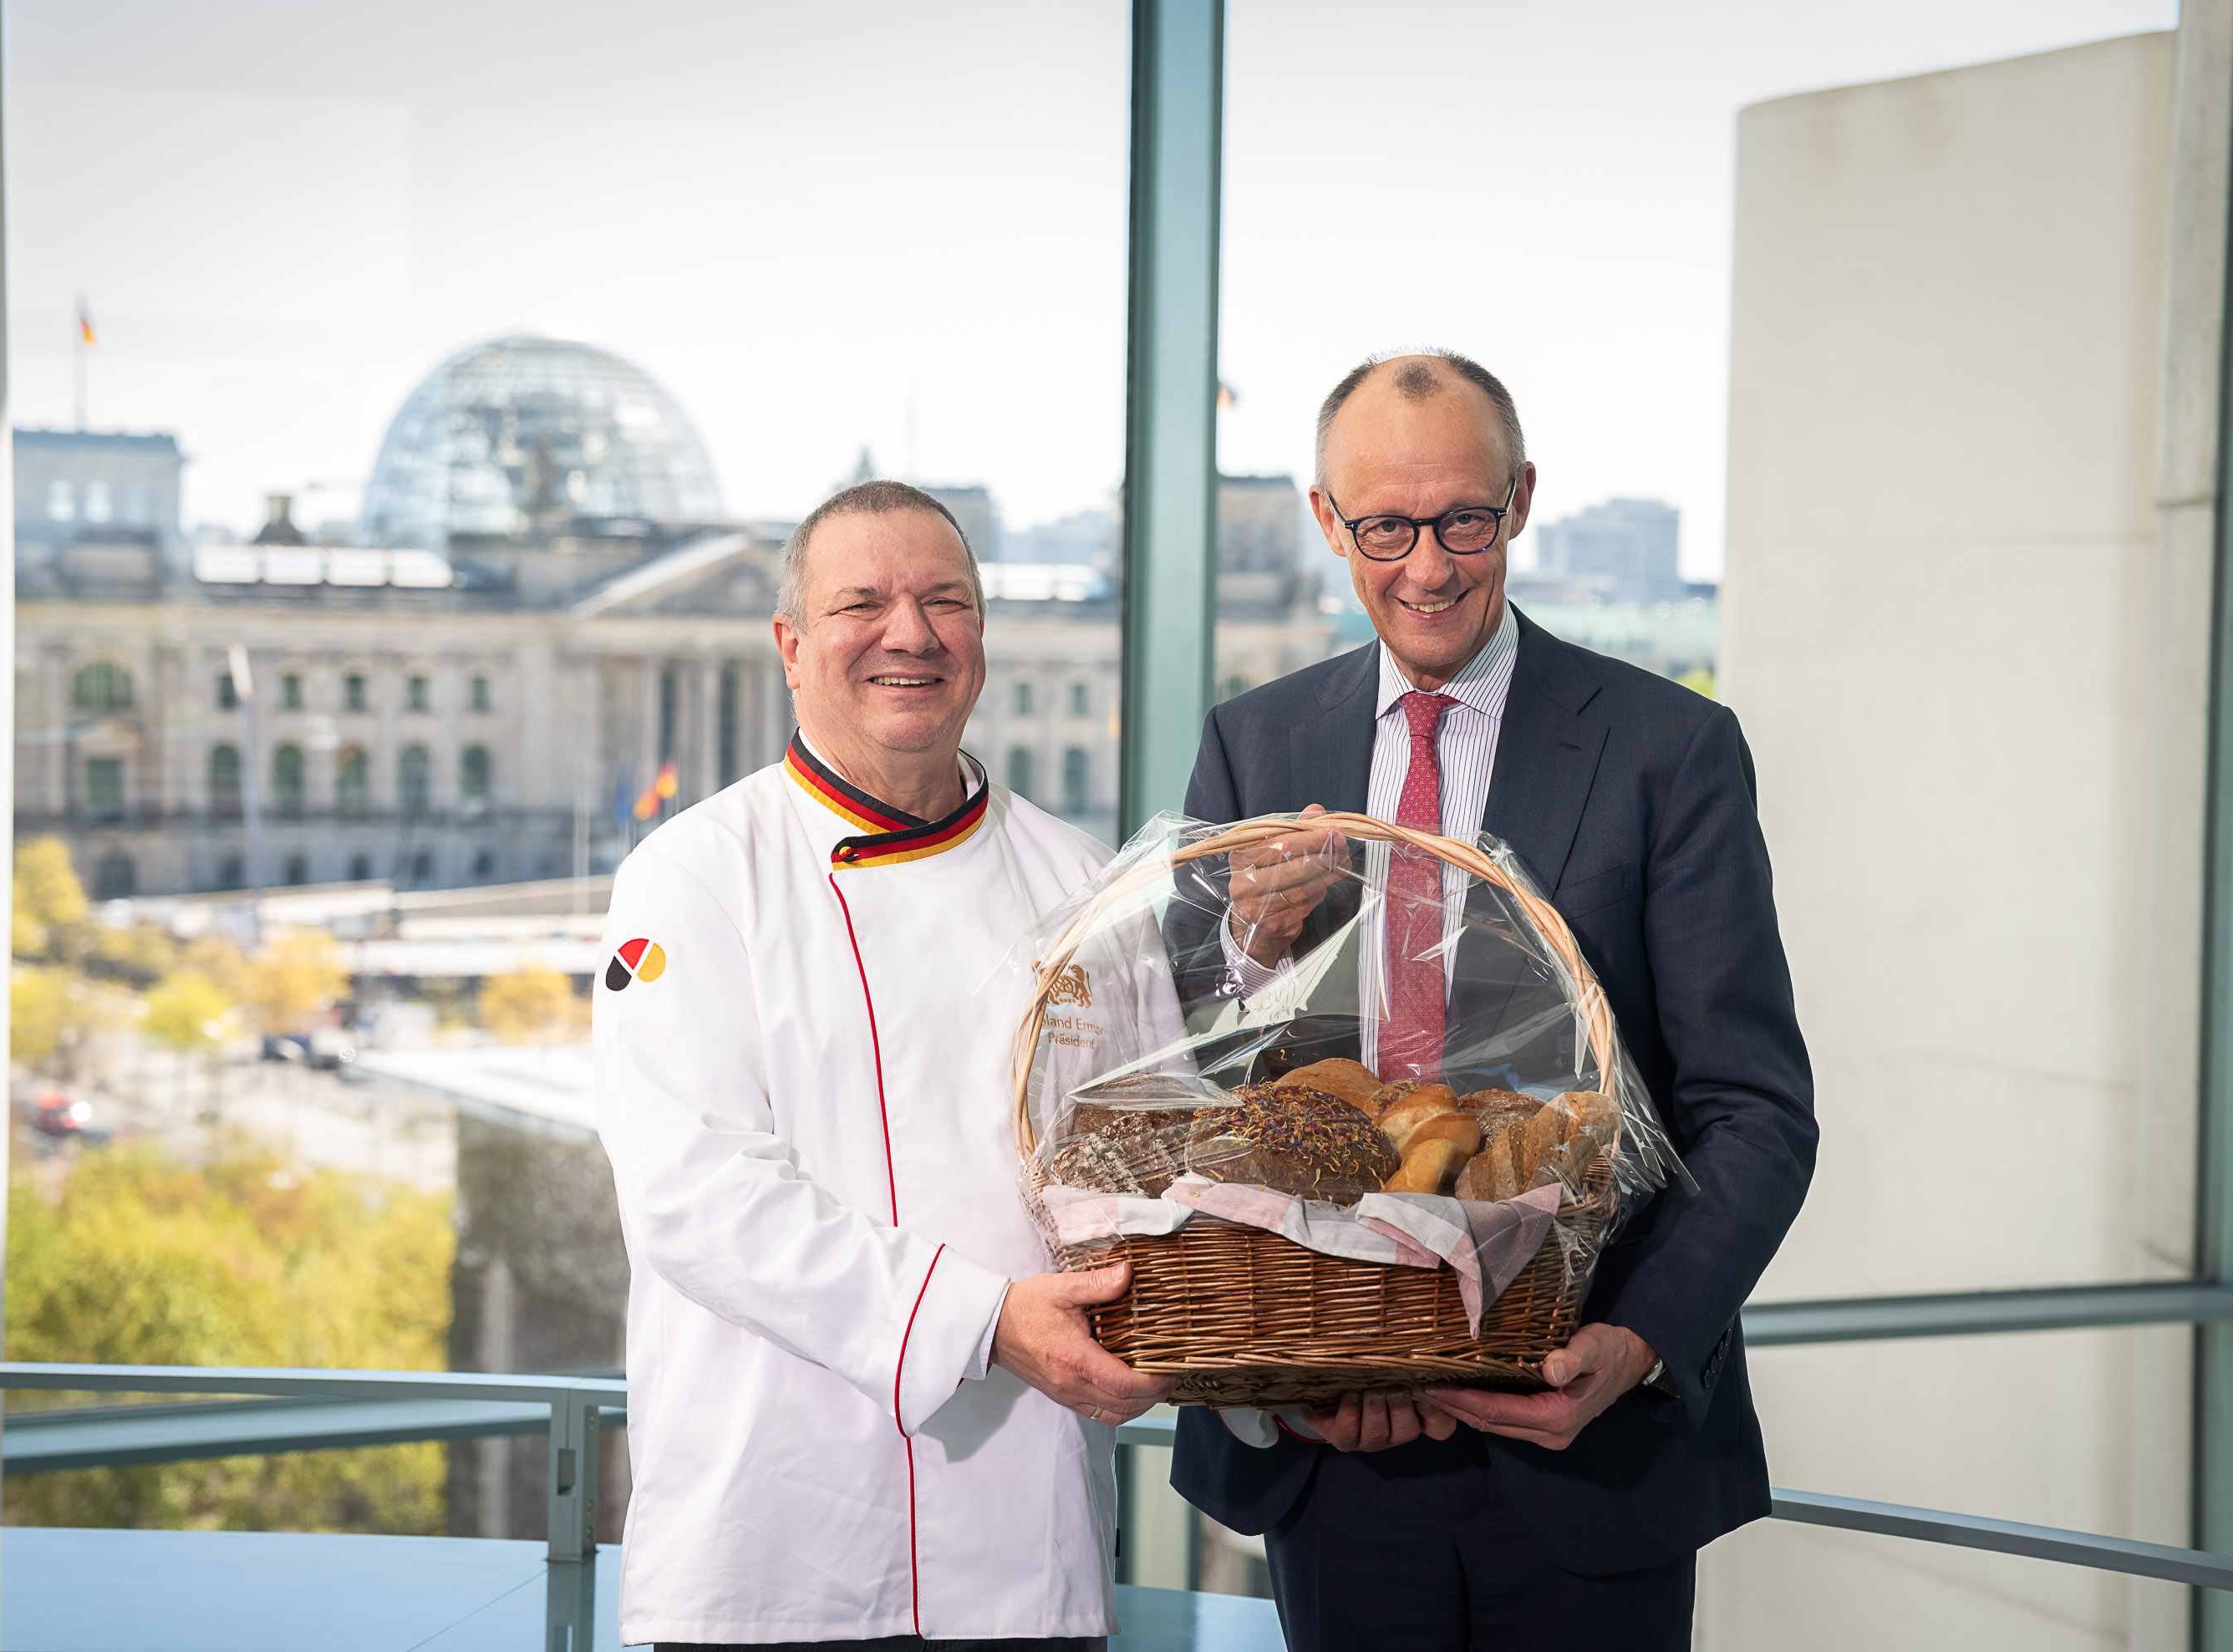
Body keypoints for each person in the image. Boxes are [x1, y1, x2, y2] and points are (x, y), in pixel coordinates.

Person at [1167, 353, 1820, 1649]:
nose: (1428, 567)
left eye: (1464, 519)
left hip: (1585, 1436)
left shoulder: (1669, 748)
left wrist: (1637, 1343)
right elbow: (1185, 1076)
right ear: (1326, 521)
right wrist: (1247, 937)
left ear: (1520, 499)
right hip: (1329, 1437)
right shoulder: (1257, 741)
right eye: (1385, 528)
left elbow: (1754, 1111)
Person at [595, 480, 1172, 1650]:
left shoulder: (1086, 883)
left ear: (979, 642)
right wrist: (983, 1321)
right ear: (791, 648)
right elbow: (693, 1194)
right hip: (771, 1550)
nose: (910, 634)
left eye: (945, 602)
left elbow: (1162, 1156)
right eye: (863, 603)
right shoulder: (692, 875)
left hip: (1026, 1548)